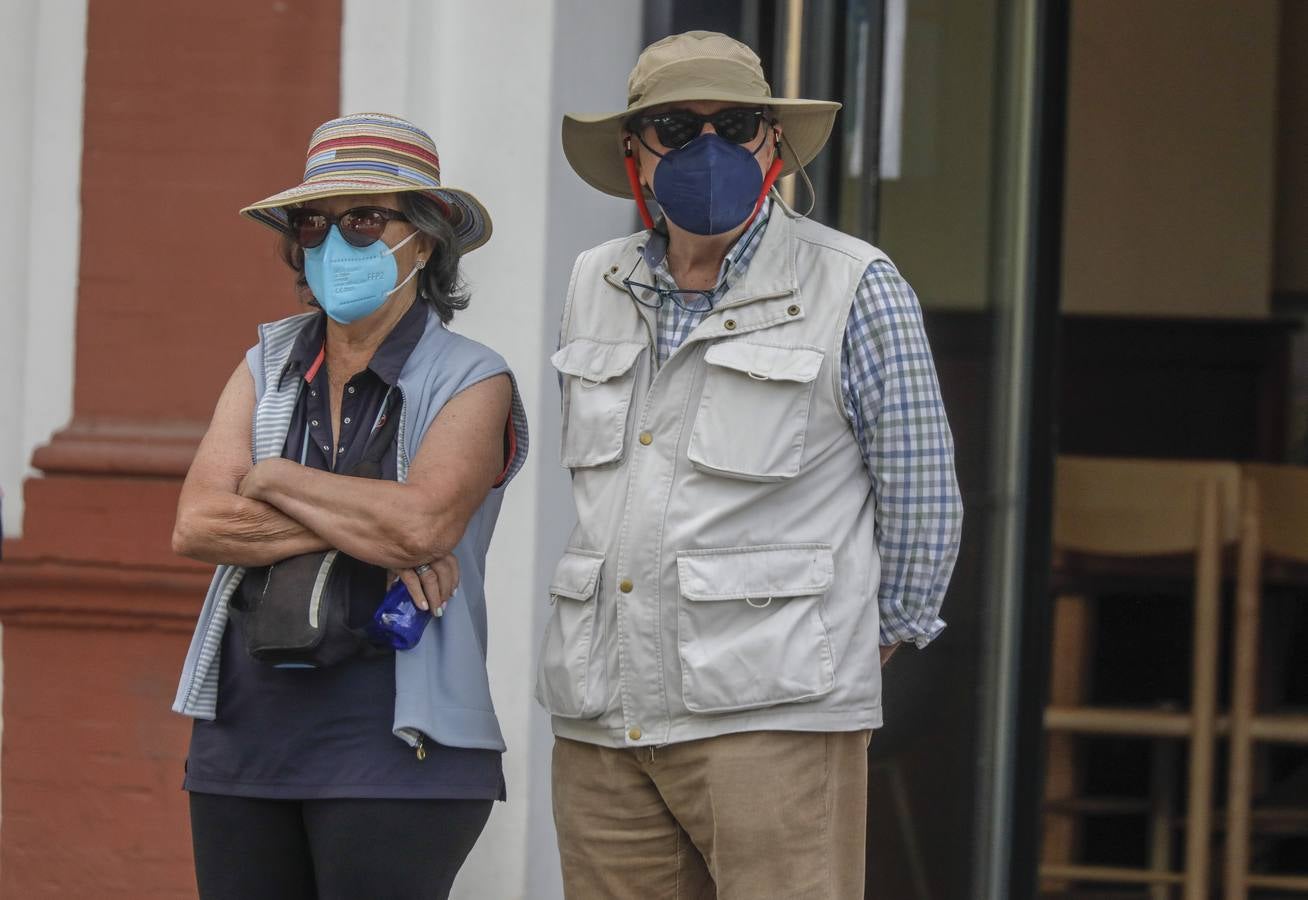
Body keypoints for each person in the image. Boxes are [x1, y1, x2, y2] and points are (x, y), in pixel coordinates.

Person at [540, 31, 962, 898]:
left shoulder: (854, 282)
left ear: (773, 143)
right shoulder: (593, 280)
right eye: (673, 126)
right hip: (602, 717)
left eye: (734, 125)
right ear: (634, 151)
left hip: (775, 716)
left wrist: (856, 642)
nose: (708, 149)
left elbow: (924, 497)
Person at [171, 113, 527, 900]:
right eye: (314, 223)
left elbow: (423, 525)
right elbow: (197, 523)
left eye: (366, 219)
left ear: (425, 239)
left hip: (401, 746)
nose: (337, 242)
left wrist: (269, 480)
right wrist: (369, 525)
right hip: (244, 736)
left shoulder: (473, 377)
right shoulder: (266, 362)